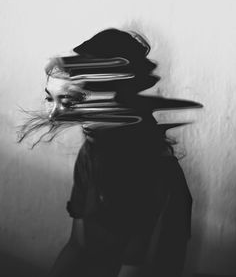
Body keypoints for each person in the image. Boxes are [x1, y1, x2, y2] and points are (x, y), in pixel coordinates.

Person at [19, 28, 201, 277]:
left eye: (72, 100)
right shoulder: (90, 155)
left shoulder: (158, 177)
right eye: (52, 100)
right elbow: (78, 246)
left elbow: (137, 268)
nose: (56, 115)